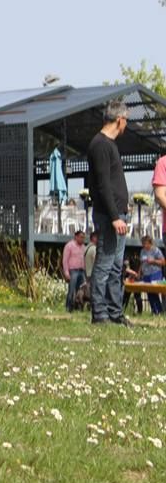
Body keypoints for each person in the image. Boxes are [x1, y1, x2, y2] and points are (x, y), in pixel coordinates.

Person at [85, 100, 131, 326]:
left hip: (118, 214)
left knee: (115, 267)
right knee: (104, 264)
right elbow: (103, 184)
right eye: (126, 121)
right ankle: (99, 314)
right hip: (109, 216)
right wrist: (114, 216)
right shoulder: (101, 145)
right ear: (119, 120)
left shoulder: (109, 144)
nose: (126, 125)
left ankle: (115, 312)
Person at [138, 235, 165, 315]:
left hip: (155, 273)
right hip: (146, 275)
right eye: (143, 244)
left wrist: (153, 261)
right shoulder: (142, 251)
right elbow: (141, 263)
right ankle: (154, 311)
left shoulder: (156, 251)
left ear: (150, 243)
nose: (144, 245)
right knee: (149, 293)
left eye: (146, 243)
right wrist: (139, 273)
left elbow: (163, 262)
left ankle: (159, 310)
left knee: (154, 292)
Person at [62, 230, 86, 312]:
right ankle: (69, 307)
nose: (82, 239)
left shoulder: (83, 247)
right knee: (72, 290)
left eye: (83, 238)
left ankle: (78, 307)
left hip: (81, 271)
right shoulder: (69, 246)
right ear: (76, 237)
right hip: (73, 271)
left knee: (81, 290)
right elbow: (65, 260)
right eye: (81, 237)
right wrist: (66, 272)